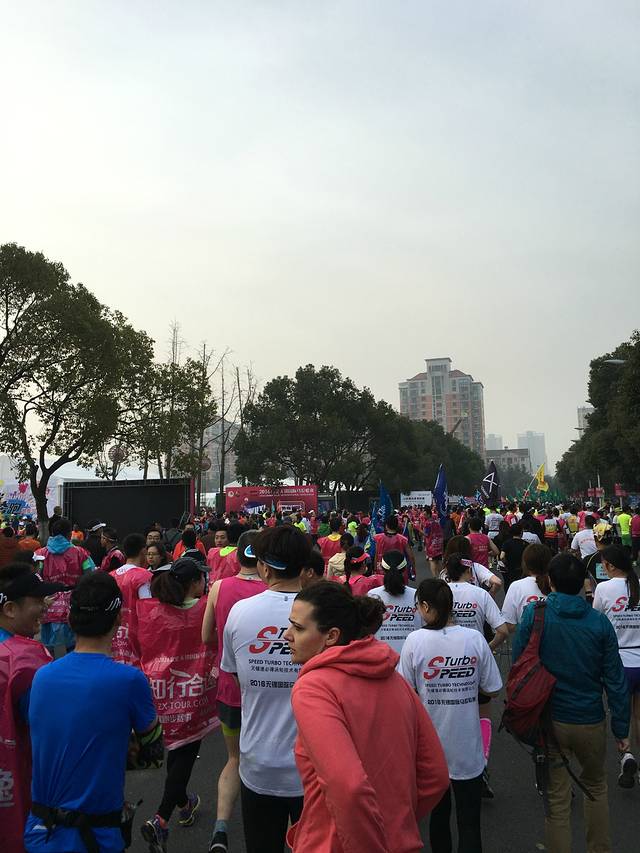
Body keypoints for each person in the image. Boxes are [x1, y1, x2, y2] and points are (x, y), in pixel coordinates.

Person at [283, 581, 449, 853]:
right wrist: (395, 823)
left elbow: (348, 786)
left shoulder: (313, 688)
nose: (287, 635)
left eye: (298, 628)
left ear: (331, 636)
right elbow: (437, 775)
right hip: (401, 841)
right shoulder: (395, 680)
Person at [24, 573, 162, 853]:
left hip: (41, 832)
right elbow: (154, 755)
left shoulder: (42, 677)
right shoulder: (129, 680)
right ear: (118, 619)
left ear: (70, 619)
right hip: (97, 835)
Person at [512, 553, 630, 853]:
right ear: (583, 584)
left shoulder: (535, 614)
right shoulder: (599, 622)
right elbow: (615, 680)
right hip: (590, 718)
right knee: (596, 787)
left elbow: (518, 661)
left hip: (550, 719)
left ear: (549, 581)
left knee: (557, 799)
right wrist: (621, 729)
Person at [220, 525, 310, 853]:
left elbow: (234, 677)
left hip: (257, 761)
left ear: (265, 568)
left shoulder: (240, 613)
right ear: (303, 566)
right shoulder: (323, 615)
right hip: (314, 766)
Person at [399, 579, 502, 853]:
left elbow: (405, 692)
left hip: (430, 749)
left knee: (438, 818)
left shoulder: (414, 641)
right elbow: (493, 688)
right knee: (470, 822)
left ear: (425, 606)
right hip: (468, 747)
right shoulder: (475, 639)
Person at [139, 556, 218, 853]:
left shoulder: (153, 611)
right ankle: (160, 818)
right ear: (195, 582)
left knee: (178, 749)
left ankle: (185, 803)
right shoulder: (206, 608)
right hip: (195, 692)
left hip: (163, 692)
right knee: (185, 752)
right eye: (201, 578)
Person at [201, 531, 267, 853]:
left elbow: (206, 637)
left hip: (230, 688)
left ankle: (220, 829)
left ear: (236, 556)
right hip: (267, 688)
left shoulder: (219, 588)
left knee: (233, 759)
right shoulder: (274, 590)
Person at [0, 563, 64, 853]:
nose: (45, 606)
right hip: (19, 790)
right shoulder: (24, 661)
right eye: (37, 601)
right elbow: (52, 732)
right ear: (10, 609)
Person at [592, 544, 640, 788]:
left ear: (609, 565)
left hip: (618, 661)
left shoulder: (603, 588)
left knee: (620, 713)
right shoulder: (637, 584)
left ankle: (626, 754)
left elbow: (596, 622)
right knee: (638, 716)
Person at [34, 518, 94, 654]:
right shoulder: (81, 553)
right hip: (74, 602)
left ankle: (51, 663)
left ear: (52, 533)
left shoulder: (40, 554)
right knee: (74, 643)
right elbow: (89, 575)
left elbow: (36, 577)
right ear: (69, 534)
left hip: (48, 602)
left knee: (48, 645)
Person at [445, 554, 508, 652]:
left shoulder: (440, 592)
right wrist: (487, 649)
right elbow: (503, 631)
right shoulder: (481, 594)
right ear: (468, 570)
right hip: (475, 650)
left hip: (447, 651)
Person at [367, 549, 422, 655]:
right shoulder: (417, 595)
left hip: (380, 656)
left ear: (382, 568)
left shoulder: (372, 595)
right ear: (405, 568)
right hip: (412, 654)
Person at [110, 533, 152, 667]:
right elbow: (148, 610)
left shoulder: (111, 576)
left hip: (114, 633)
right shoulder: (143, 576)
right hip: (136, 634)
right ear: (143, 551)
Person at [501, 543, 551, 631]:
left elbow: (509, 624)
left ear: (525, 563)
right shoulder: (556, 584)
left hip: (527, 638)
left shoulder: (516, 586)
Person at [498, 522, 529, 590]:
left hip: (510, 568)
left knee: (508, 584)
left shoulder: (507, 543)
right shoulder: (526, 544)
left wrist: (506, 563)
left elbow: (502, 556)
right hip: (521, 569)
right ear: (521, 532)